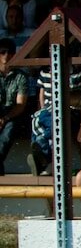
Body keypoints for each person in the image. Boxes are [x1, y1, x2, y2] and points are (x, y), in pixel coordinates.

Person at [0, 37, 25, 174]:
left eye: (9, 52)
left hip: (11, 114)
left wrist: (5, 118)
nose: (6, 55)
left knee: (8, 132)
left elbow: (20, 105)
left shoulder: (20, 76)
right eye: (2, 52)